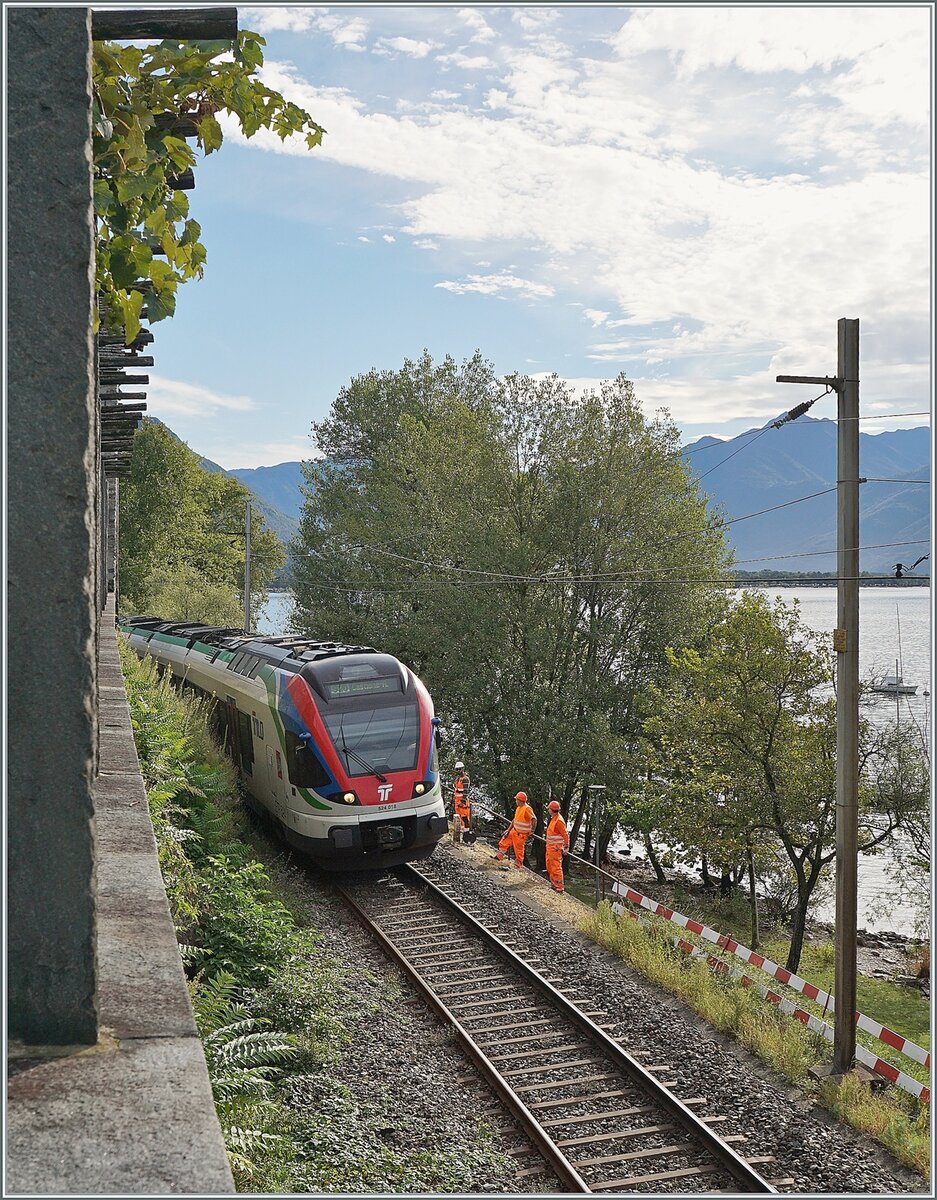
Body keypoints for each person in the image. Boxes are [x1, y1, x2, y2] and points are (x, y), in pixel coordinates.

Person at [494, 791, 536, 870]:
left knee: (519, 851)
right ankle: (499, 856)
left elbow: (534, 819)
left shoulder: (527, 808)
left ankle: (518, 865)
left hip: (521, 834)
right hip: (514, 830)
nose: (516, 801)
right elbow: (515, 820)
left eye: (516, 799)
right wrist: (508, 830)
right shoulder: (519, 808)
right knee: (504, 841)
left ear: (520, 800)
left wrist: (532, 831)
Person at [545, 799, 570, 893]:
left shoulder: (559, 820)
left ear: (551, 810)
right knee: (550, 866)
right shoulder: (555, 819)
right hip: (551, 847)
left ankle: (559, 886)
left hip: (555, 849)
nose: (548, 810)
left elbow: (565, 834)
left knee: (555, 867)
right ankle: (554, 884)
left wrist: (566, 847)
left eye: (549, 809)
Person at [452, 760, 474, 845]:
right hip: (457, 802)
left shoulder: (465, 779)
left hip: (463, 803)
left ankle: (467, 836)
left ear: (463, 769)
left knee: (465, 819)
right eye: (457, 769)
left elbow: (466, 791)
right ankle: (460, 836)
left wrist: (463, 801)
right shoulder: (458, 778)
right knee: (459, 819)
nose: (458, 771)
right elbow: (456, 790)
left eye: (459, 769)